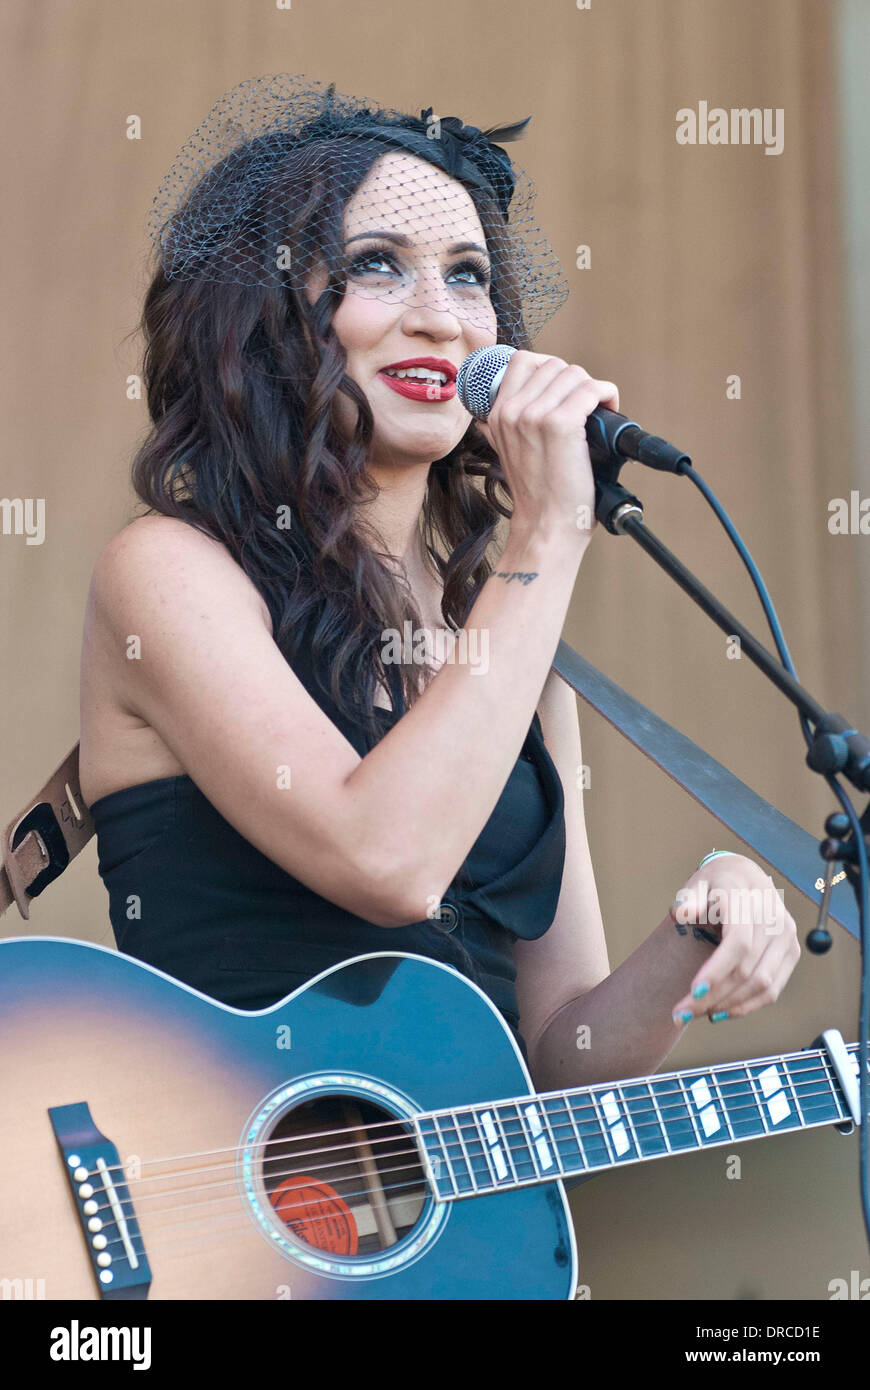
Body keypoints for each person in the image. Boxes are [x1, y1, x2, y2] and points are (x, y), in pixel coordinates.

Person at [79, 75, 799, 1096]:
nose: (440, 318)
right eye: (377, 266)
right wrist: (548, 527)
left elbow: (560, 1060)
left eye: (469, 278)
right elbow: (387, 864)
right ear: (264, 313)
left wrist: (707, 917)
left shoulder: (506, 624)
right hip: (232, 1215)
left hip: (433, 1240)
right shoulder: (167, 569)